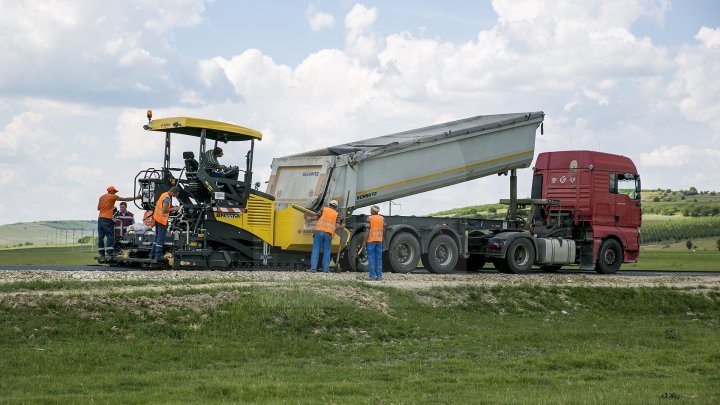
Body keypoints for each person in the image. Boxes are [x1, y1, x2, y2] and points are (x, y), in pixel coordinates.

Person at [97, 186, 140, 257]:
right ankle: (109, 252)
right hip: (107, 218)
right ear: (112, 191)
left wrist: (111, 207)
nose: (115, 193)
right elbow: (125, 199)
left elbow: (98, 208)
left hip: (100, 218)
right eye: (114, 192)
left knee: (101, 236)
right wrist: (136, 198)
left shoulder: (101, 197)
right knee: (110, 235)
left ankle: (101, 253)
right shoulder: (112, 196)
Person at [305, 199, 344, 273]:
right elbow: (337, 226)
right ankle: (326, 269)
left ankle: (313, 268)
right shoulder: (336, 214)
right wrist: (342, 226)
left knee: (316, 250)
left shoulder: (324, 209)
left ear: (329, 205)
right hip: (328, 233)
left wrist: (310, 218)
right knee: (327, 251)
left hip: (319, 231)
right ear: (335, 207)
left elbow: (316, 217)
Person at [150, 186, 181, 263]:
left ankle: (152, 254)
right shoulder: (167, 198)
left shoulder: (164, 194)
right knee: (161, 238)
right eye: (176, 194)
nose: (177, 195)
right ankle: (158, 255)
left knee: (157, 237)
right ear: (173, 192)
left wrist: (172, 207)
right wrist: (174, 209)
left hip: (157, 218)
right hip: (161, 220)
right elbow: (164, 210)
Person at [362, 205, 385, 281]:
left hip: (371, 240)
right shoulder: (382, 218)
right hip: (379, 240)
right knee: (379, 258)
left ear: (373, 211)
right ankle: (379, 276)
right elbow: (384, 230)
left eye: (370, 210)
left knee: (371, 258)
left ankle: (372, 276)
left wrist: (364, 241)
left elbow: (367, 231)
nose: (370, 211)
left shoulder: (370, 218)